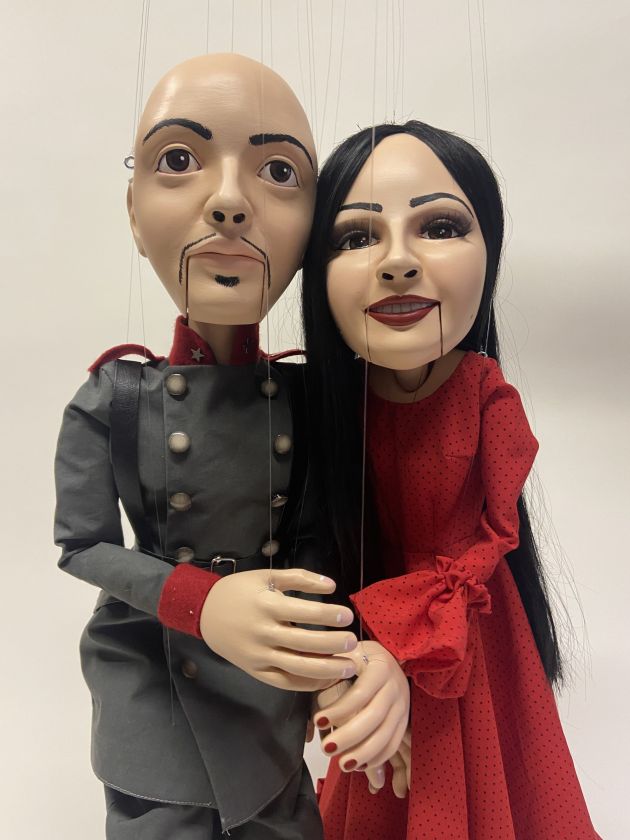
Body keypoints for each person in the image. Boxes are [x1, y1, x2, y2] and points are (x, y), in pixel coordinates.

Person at [54, 53, 359, 839]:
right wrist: (199, 601)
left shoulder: (307, 400)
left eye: (279, 172)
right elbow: (82, 545)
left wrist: (333, 660)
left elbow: (317, 546)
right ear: (134, 212)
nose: (228, 201)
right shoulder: (113, 397)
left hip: (267, 688)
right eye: (179, 160)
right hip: (152, 677)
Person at [302, 121, 600, 838]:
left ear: (490, 250)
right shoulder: (332, 408)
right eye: (357, 236)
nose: (398, 262)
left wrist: (408, 641)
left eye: (439, 227)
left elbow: (495, 534)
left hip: (470, 629)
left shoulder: (485, 396)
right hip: (369, 631)